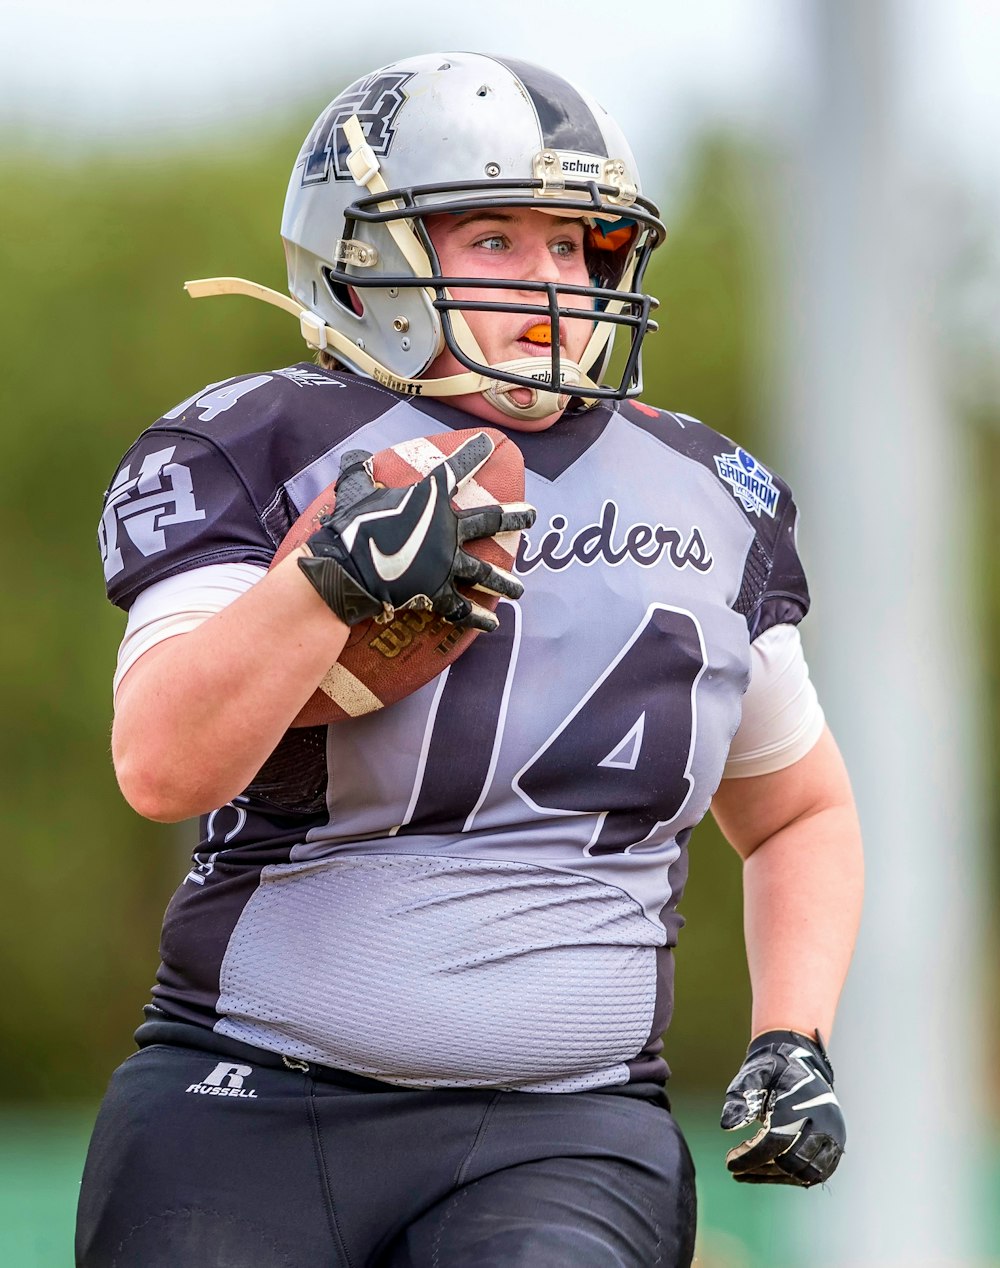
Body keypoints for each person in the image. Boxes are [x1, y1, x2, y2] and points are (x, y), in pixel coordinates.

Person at [77, 51, 863, 1267]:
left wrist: (792, 1031)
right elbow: (161, 763)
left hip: (568, 1125)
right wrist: (324, 579)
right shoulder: (262, 438)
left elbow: (798, 807)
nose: (552, 283)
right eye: (495, 237)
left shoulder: (707, 489)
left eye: (575, 245)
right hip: (249, 1098)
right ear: (367, 251)